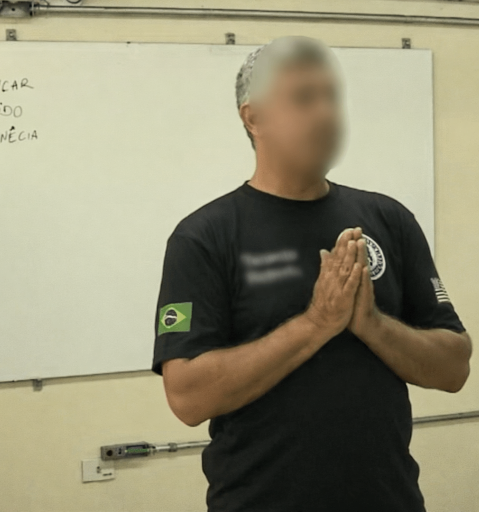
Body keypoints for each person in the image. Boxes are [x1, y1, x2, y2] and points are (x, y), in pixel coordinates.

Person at [152, 36, 472, 512]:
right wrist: (316, 323)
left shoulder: (389, 219)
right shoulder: (204, 237)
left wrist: (372, 325)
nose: (326, 113)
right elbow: (188, 398)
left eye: (331, 96)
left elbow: (454, 367)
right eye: (304, 98)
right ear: (254, 119)